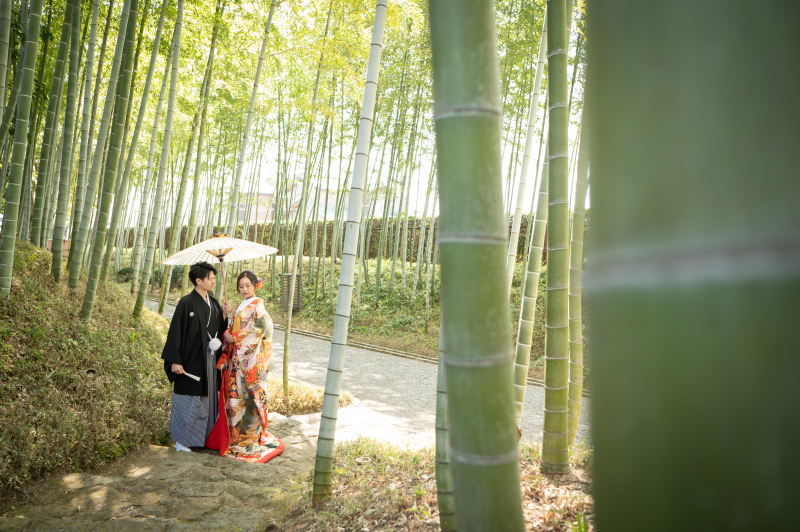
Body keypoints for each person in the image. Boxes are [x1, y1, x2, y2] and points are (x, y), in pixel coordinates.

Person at [206, 270, 284, 462]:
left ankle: (248, 439)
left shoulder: (258, 306)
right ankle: (234, 437)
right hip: (236, 360)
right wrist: (227, 331)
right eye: (240, 286)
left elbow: (260, 331)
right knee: (234, 398)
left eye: (247, 285)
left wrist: (237, 338)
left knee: (247, 398)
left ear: (255, 285)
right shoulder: (242, 305)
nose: (244, 289)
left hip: (248, 362)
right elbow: (234, 329)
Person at [161, 261, 230, 452]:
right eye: (210, 278)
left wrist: (224, 316)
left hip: (209, 358)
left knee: (206, 400)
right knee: (188, 400)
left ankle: (203, 438)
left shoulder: (214, 302)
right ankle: (182, 441)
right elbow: (176, 332)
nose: (213, 281)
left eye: (215, 277)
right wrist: (175, 360)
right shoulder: (186, 302)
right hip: (190, 360)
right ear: (198, 280)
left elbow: (219, 330)